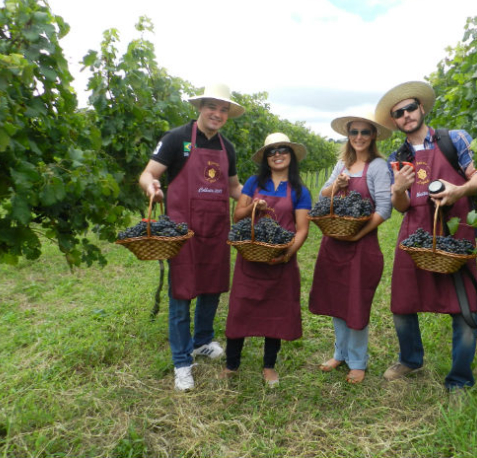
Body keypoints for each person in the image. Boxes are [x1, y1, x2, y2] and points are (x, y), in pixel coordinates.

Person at [374, 81, 477, 392]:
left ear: (422, 108)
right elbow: (401, 206)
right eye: (398, 113)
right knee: (402, 303)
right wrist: (398, 189)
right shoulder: (397, 157)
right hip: (415, 234)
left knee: (464, 308)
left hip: (456, 231)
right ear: (395, 121)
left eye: (410, 107)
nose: (406, 115)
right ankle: (411, 359)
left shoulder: (454, 139)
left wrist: (460, 190)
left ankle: (459, 381)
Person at [139, 83, 245, 391]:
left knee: (212, 289)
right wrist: (151, 187)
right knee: (182, 294)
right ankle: (182, 361)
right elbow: (149, 174)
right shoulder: (177, 139)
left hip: (215, 229)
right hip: (182, 230)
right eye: (212, 107)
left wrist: (252, 199)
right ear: (200, 108)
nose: (218, 114)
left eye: (224, 109)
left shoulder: (228, 148)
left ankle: (202, 342)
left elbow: (233, 188)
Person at [221, 133, 311, 387]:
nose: (277, 154)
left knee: (277, 314)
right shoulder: (253, 183)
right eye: (271, 151)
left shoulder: (300, 190)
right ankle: (232, 364)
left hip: (280, 260)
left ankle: (269, 365)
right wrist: (253, 208)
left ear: (291, 155)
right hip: (250, 258)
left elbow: (302, 228)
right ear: (266, 158)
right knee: (240, 311)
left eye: (283, 149)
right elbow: (237, 215)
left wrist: (287, 254)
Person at [309, 113, 392, 384]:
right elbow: (324, 193)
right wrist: (337, 185)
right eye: (354, 132)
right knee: (336, 301)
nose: (358, 137)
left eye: (364, 132)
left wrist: (359, 235)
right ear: (348, 135)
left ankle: (358, 360)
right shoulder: (342, 163)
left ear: (373, 136)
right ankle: (340, 353)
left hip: (361, 246)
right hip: (334, 243)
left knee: (356, 303)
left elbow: (384, 208)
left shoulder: (378, 166)